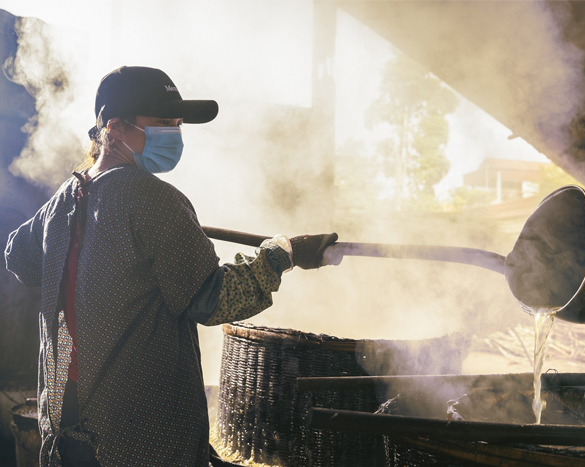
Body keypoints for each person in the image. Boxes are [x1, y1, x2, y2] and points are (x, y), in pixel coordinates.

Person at [4, 66, 338, 467]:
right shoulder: (155, 199)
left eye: (177, 124)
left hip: (64, 433)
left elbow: (18, 257)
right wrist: (279, 255)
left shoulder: (65, 200)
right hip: (138, 440)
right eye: (163, 123)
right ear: (115, 127)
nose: (174, 134)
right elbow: (212, 300)